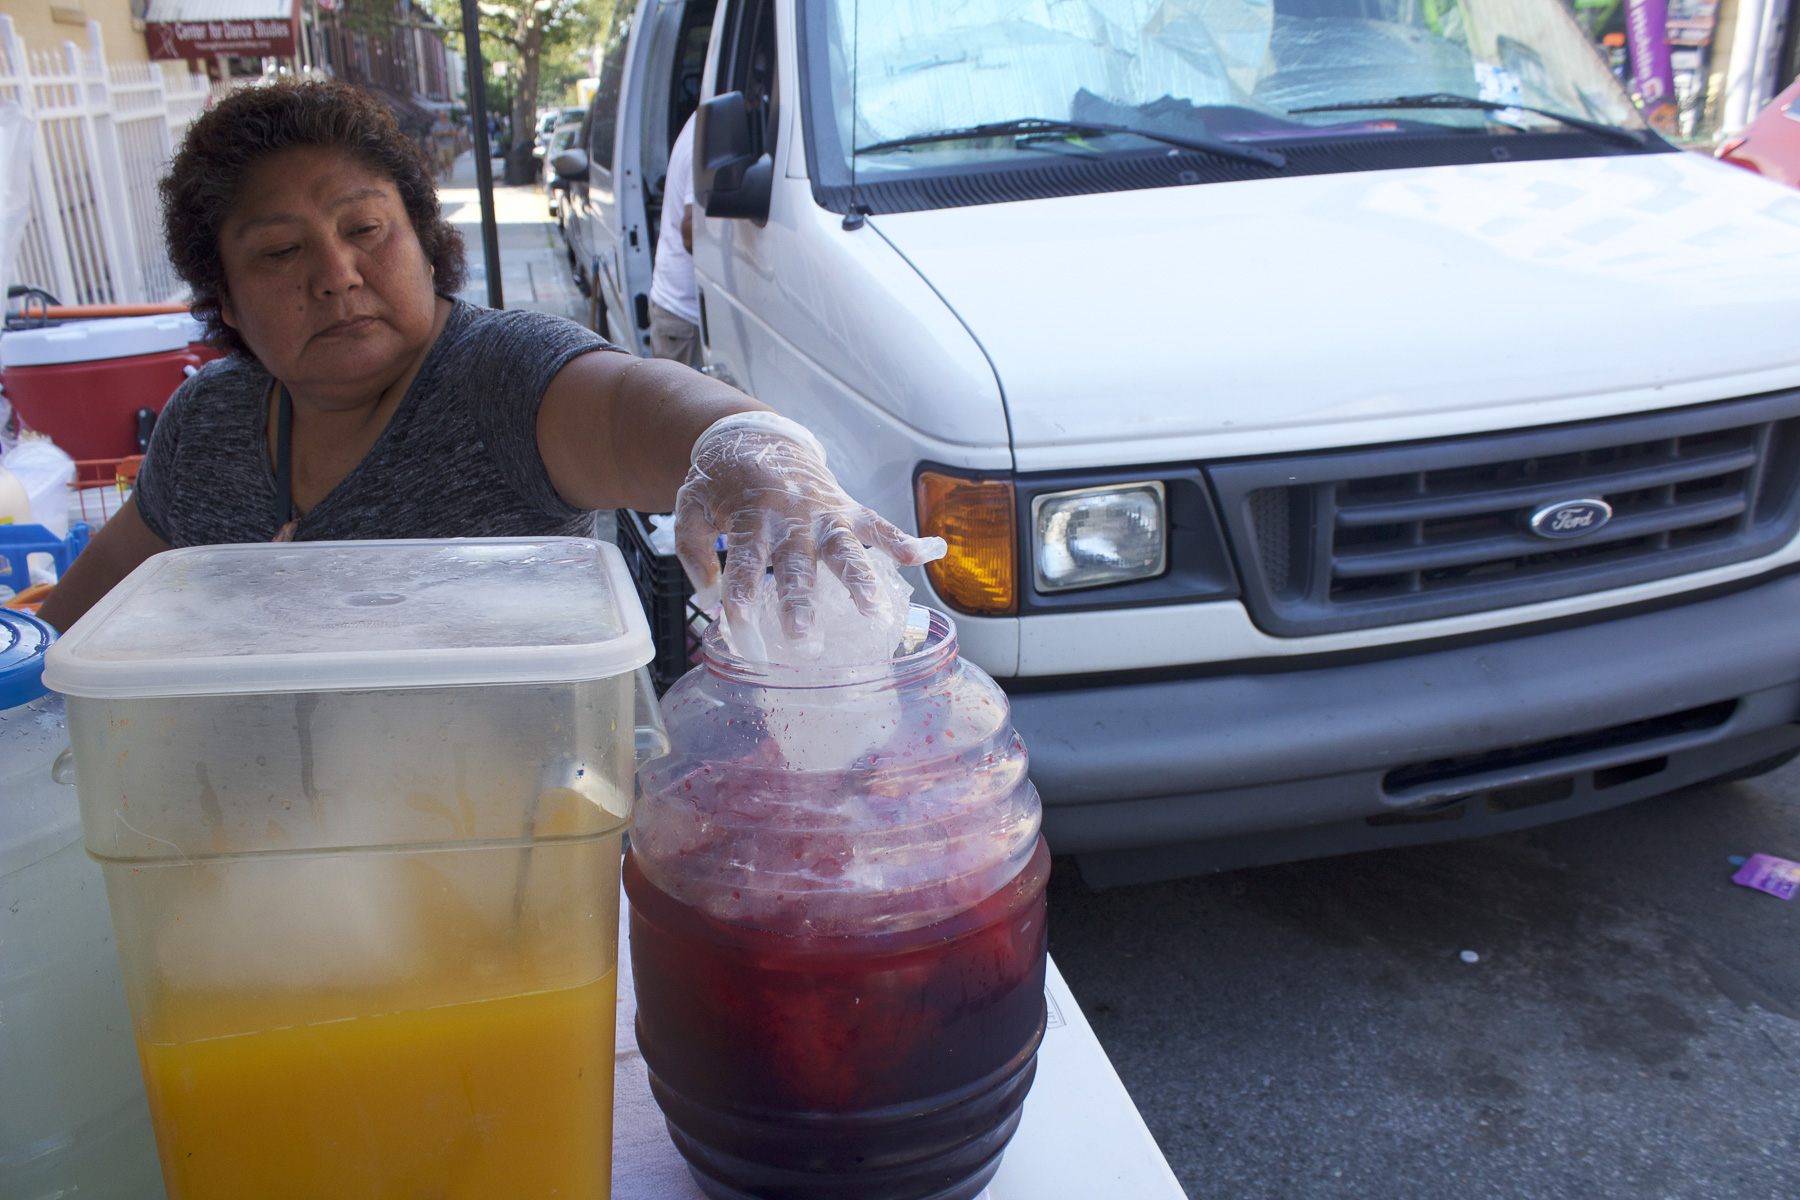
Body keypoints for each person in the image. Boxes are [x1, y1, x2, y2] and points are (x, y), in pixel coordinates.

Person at [36, 81, 940, 643]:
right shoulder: (210, 427)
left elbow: (633, 404)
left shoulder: (495, 378)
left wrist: (753, 449)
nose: (336, 274)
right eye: (280, 252)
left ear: (426, 245)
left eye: (365, 230)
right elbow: (81, 618)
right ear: (224, 301)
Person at [647, 112, 701, 367]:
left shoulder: (702, 126)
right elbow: (690, 233)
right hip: (682, 316)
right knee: (687, 406)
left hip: (687, 313)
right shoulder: (701, 139)